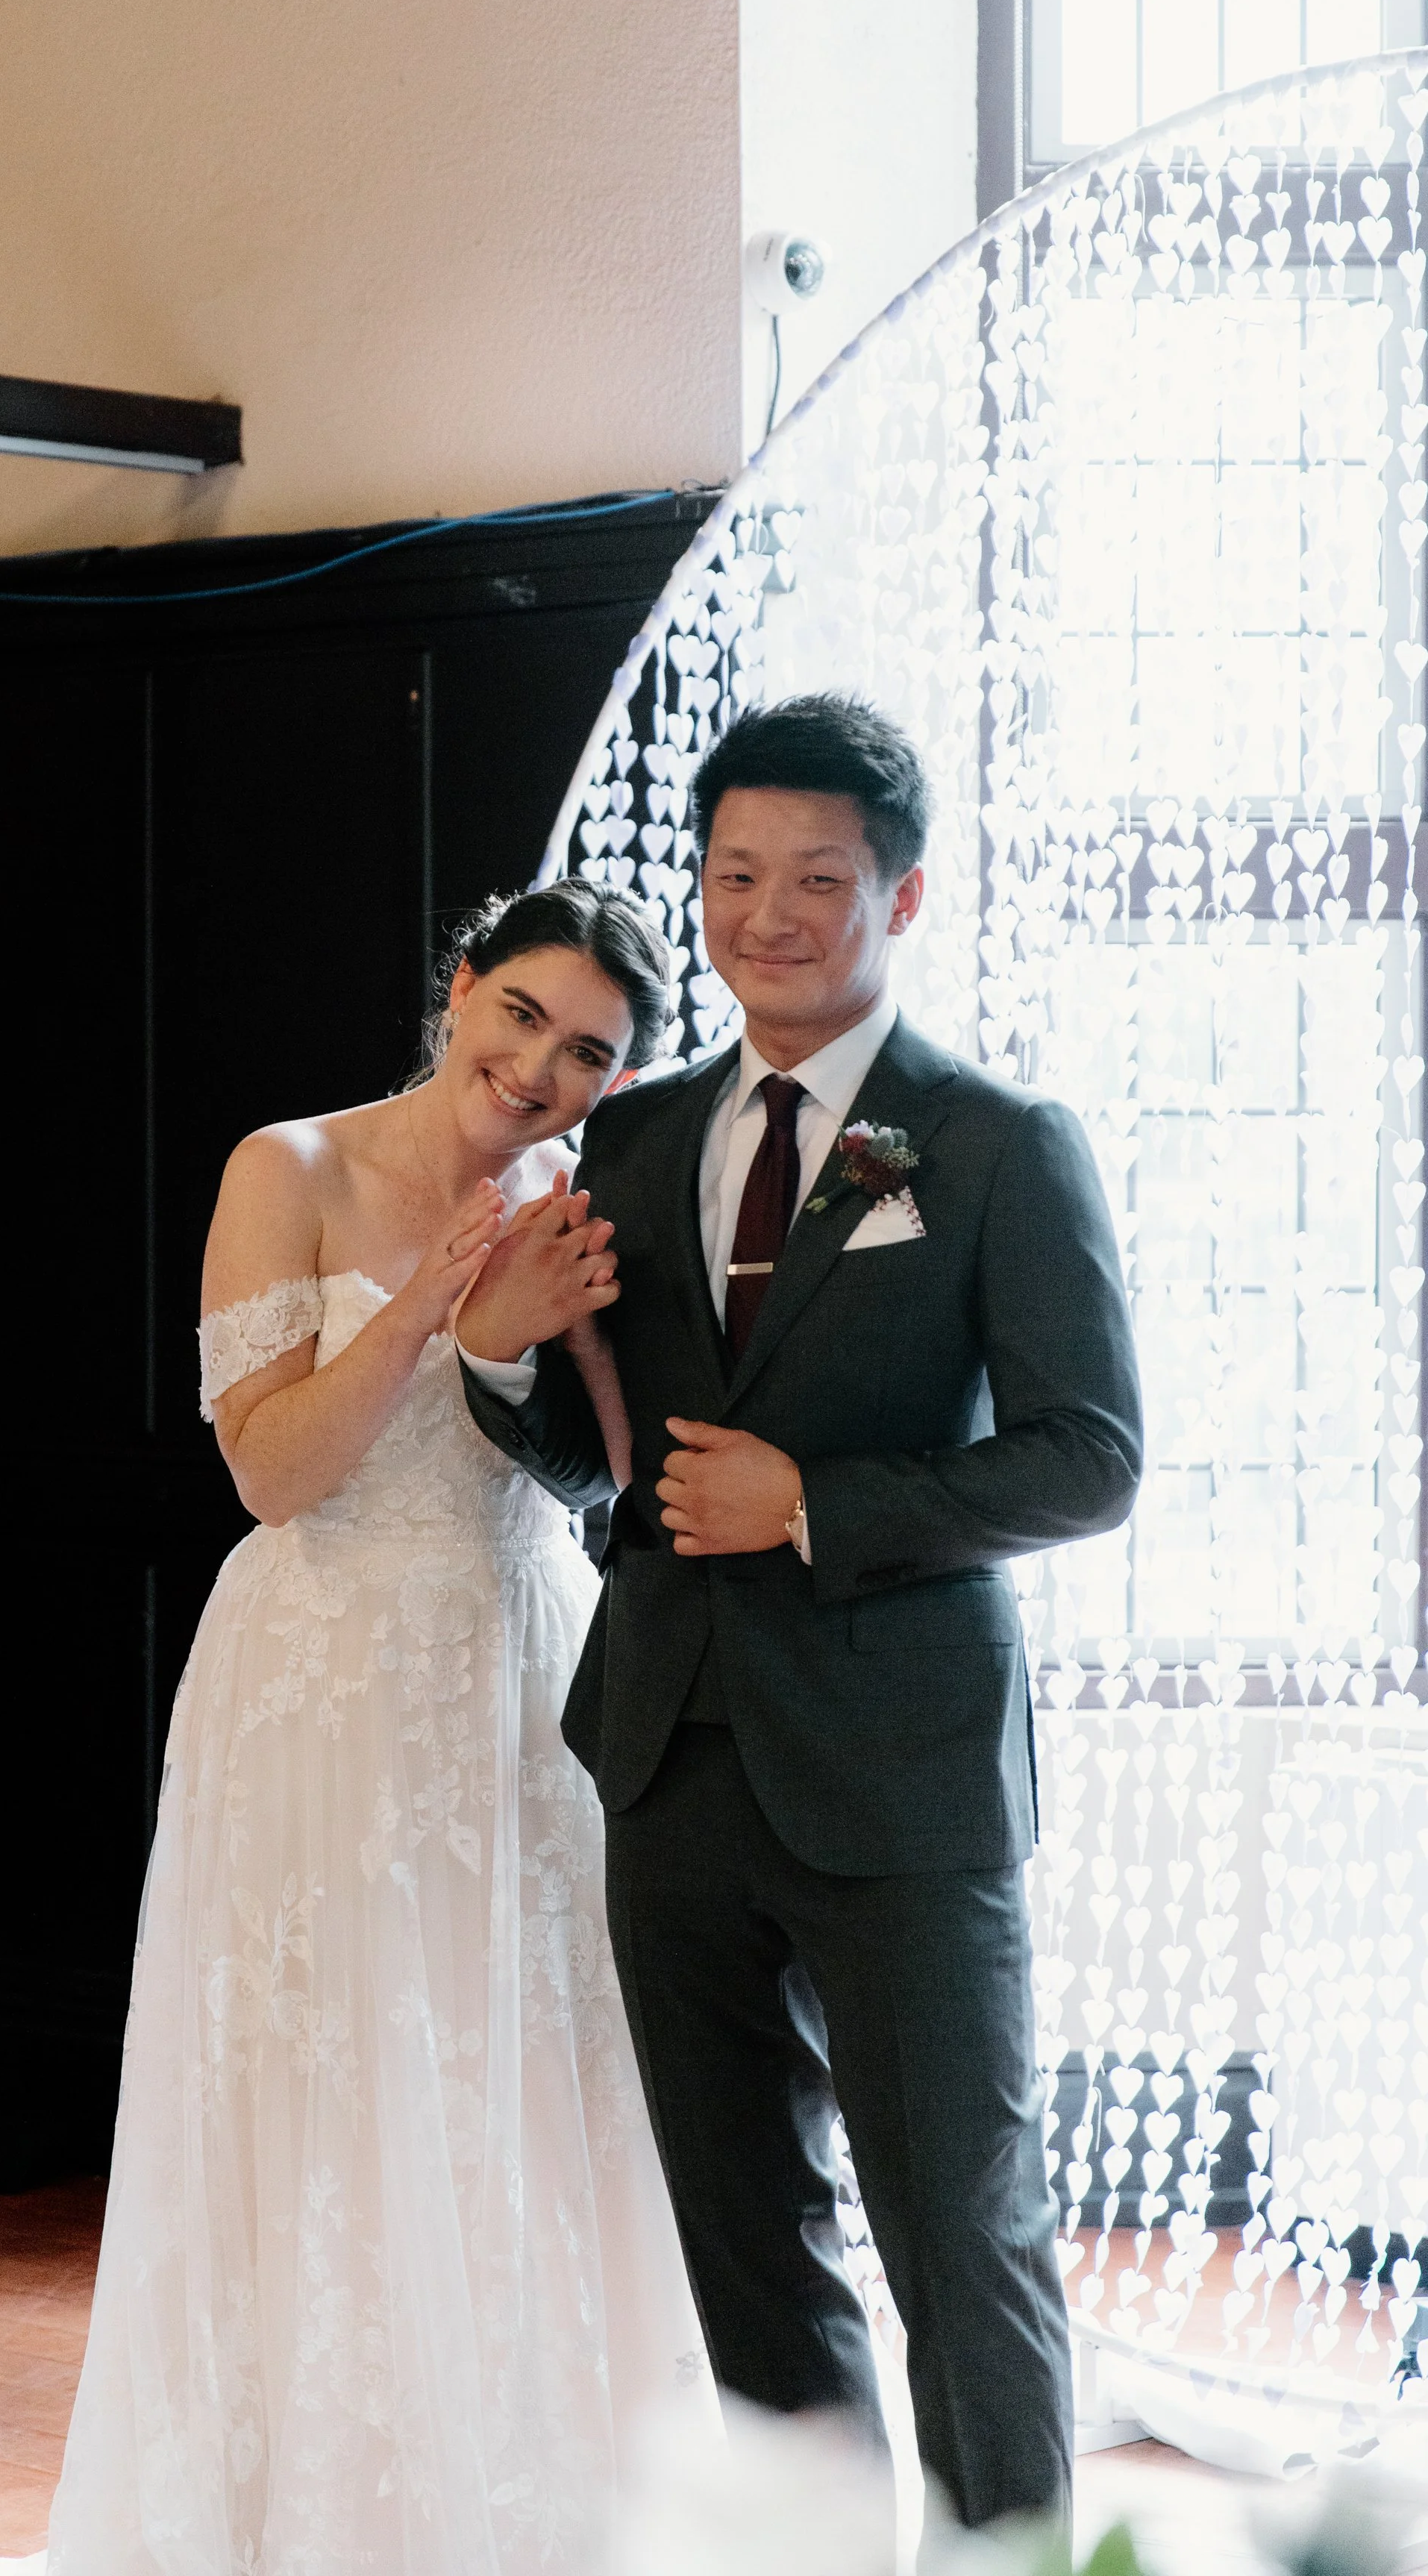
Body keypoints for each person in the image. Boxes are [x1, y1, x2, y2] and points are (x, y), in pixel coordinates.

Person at [454, 695, 1144, 2530]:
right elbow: (603, 1473)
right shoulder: (634, 1131)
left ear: (899, 898)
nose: (767, 913)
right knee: (750, 2239)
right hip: (670, 1755)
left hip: (904, 1780)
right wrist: (502, 1359)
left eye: (817, 878)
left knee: (961, 2235)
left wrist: (818, 1505)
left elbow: (1092, 1459)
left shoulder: (996, 1143)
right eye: (735, 872)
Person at [47, 882, 711, 2576]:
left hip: (515, 1666)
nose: (538, 1071)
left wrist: (561, 1338)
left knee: (525, 2080)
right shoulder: (294, 1171)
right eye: (522, 1018)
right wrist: (433, 1307)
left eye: (587, 1056)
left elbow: (615, 1475)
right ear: (460, 989)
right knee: (327, 2081)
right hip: (323, 1677)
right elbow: (270, 1472)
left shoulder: (581, 1204)